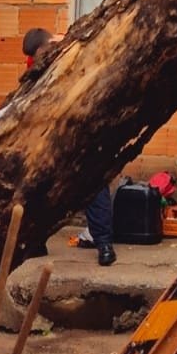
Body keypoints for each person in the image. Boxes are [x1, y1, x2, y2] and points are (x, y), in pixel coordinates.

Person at [20, 27, 116, 267]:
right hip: (55, 132)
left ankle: (104, 244)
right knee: (39, 186)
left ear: (48, 44)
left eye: (40, 55)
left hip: (87, 125)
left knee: (94, 184)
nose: (38, 60)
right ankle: (36, 242)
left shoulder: (77, 47)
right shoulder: (37, 59)